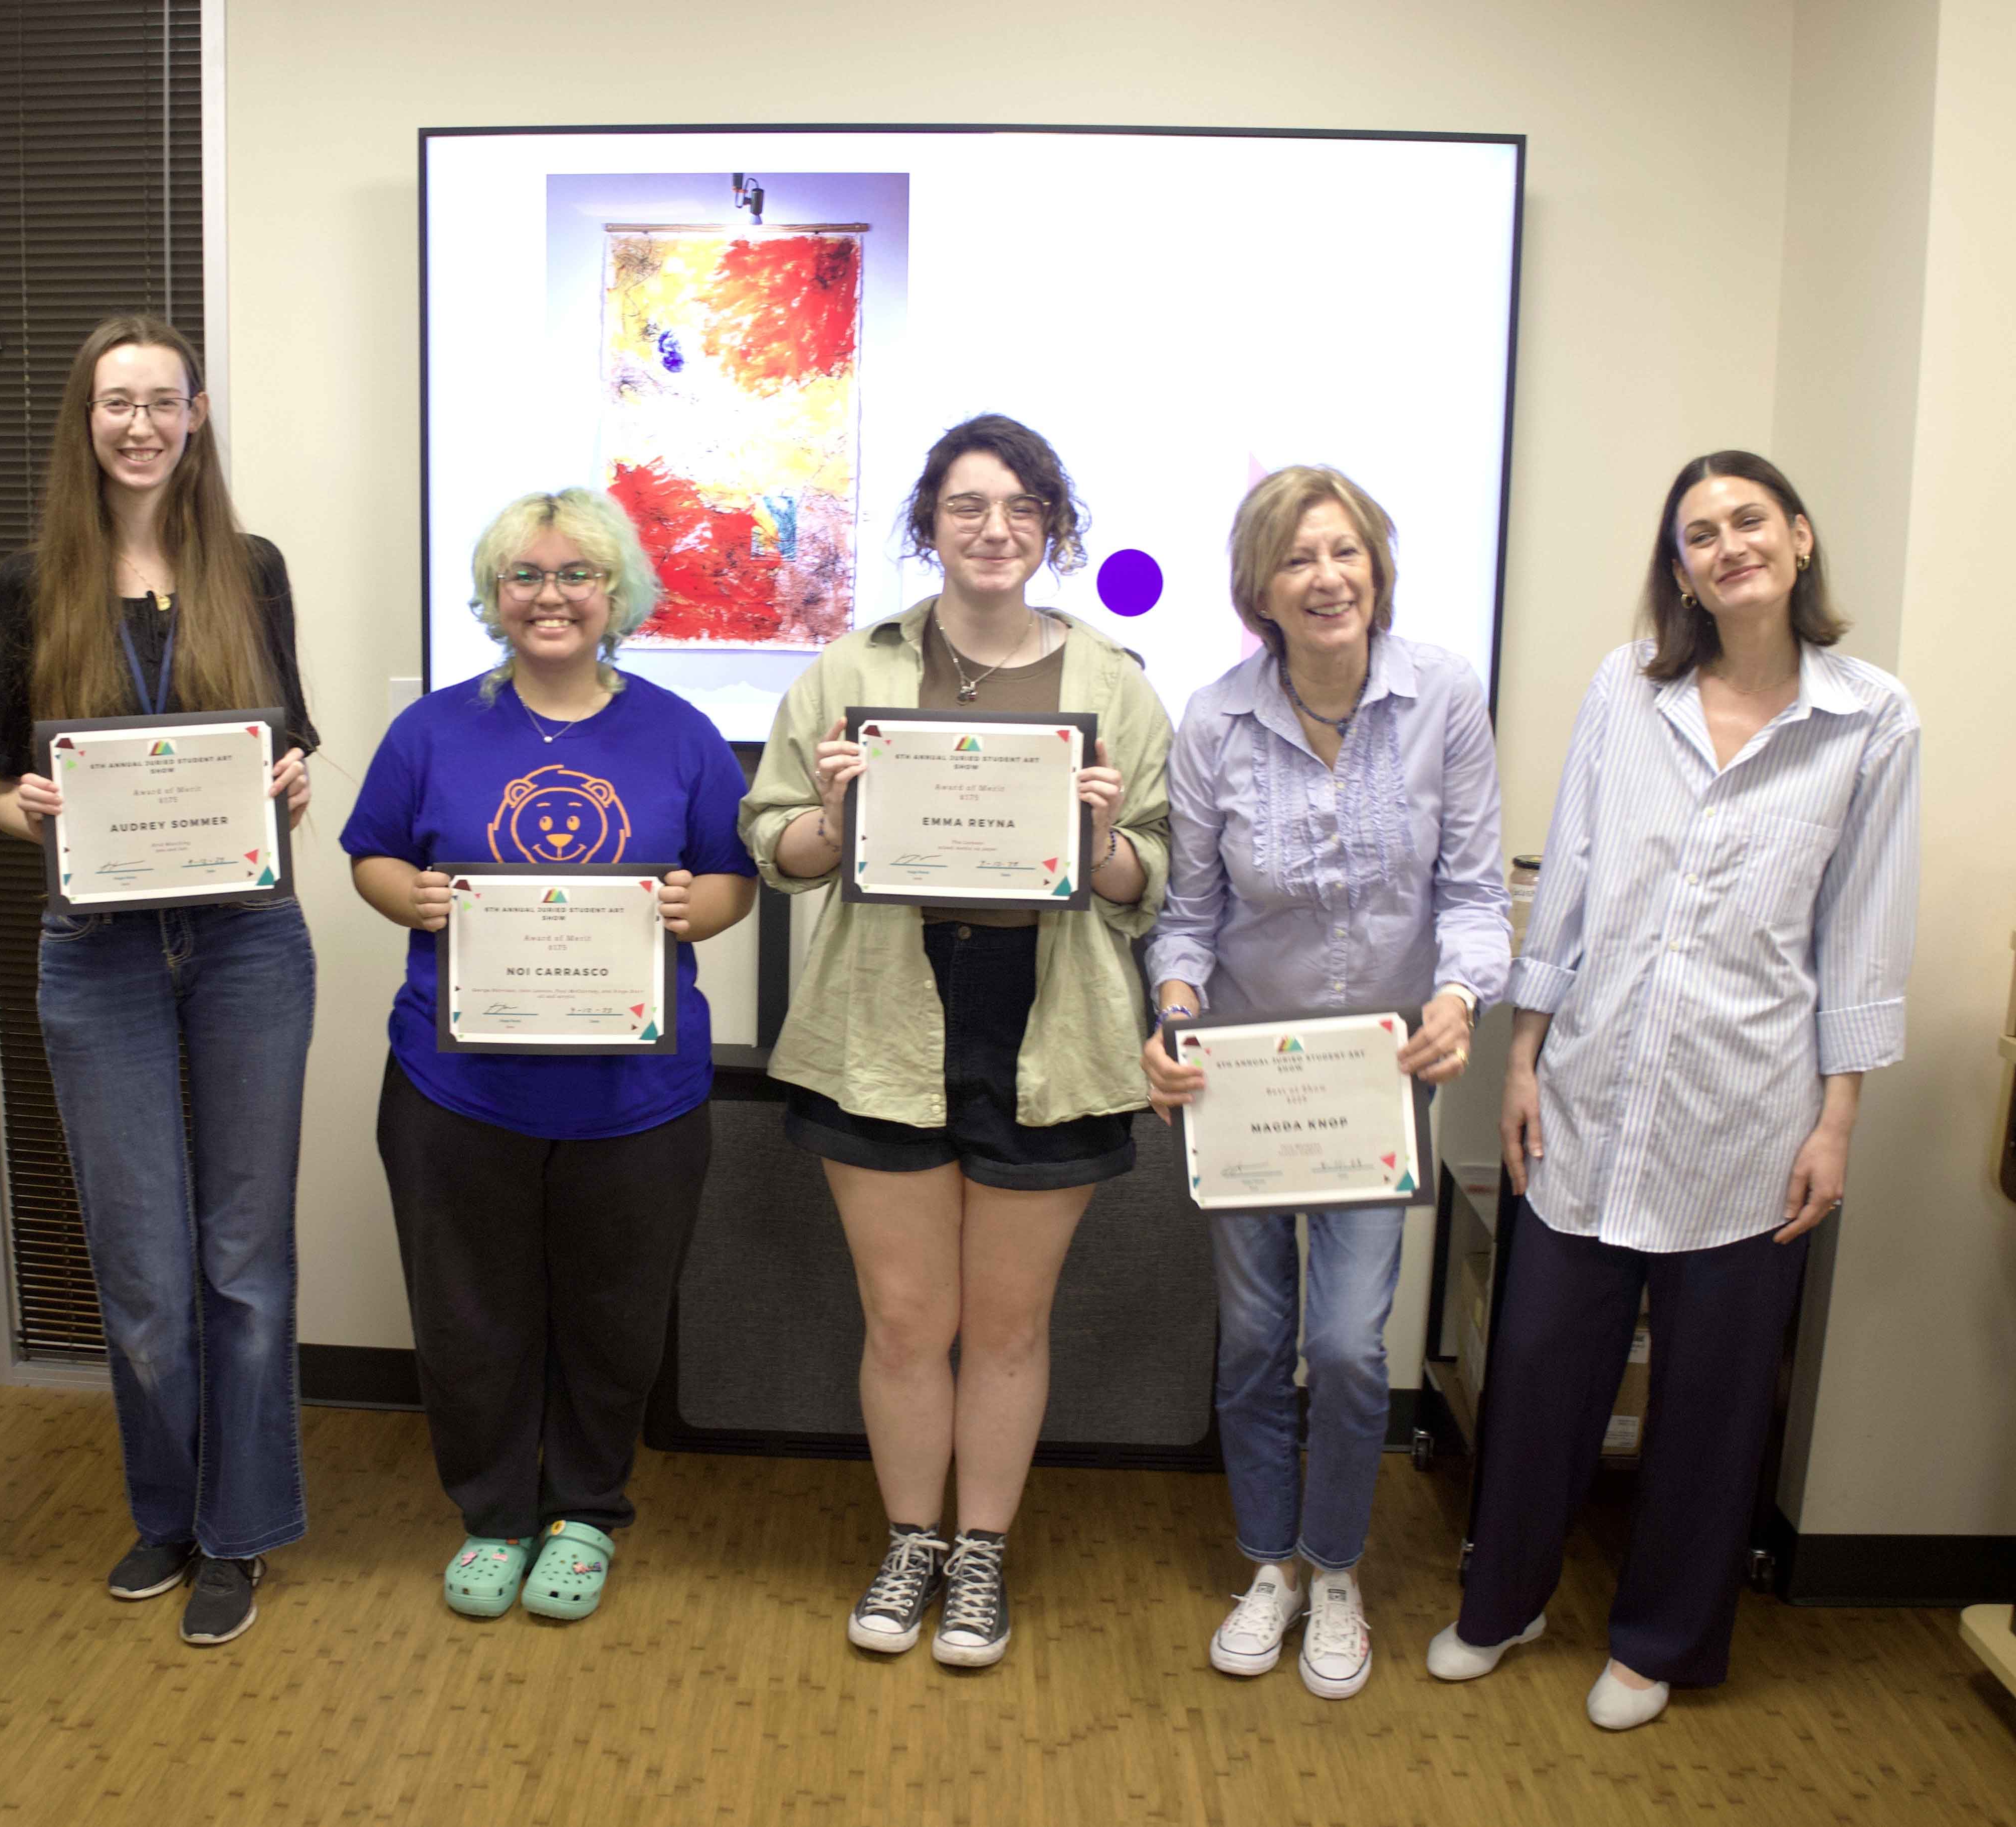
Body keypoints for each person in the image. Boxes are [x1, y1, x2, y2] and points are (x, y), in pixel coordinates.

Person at [1428, 451, 1919, 1729]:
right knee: (1539, 1369)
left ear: (1801, 540)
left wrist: (1839, 1120)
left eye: (1750, 520)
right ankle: (1506, 1599)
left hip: (1751, 1108)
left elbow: (1864, 926)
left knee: (1709, 1399)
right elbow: (1575, 866)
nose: (1727, 545)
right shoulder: (1626, 687)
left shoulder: (1872, 720)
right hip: (1594, 1085)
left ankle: (1658, 1642)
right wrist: (1524, 1054)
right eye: (1698, 532)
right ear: (1680, 566)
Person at [741, 414, 1172, 1668]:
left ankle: (981, 1554)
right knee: (904, 1318)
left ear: (1054, 528)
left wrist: (1098, 842)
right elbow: (777, 849)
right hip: (885, 1011)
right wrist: (831, 814)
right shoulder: (847, 668)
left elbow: (1155, 877)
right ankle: (911, 1538)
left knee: (1011, 1326)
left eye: (1022, 506)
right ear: (928, 524)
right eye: (969, 505)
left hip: (1047, 1019)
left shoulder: (1116, 683)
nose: (996, 528)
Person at [341, 487, 756, 1623]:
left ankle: (583, 1512)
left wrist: (690, 910)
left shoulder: (678, 730)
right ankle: (493, 1516)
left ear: (615, 591)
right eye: (524, 575)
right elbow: (370, 854)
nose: (551, 595)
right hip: (456, 1087)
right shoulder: (430, 730)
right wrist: (413, 897)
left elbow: (732, 875)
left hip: (637, 1095)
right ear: (494, 596)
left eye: (576, 573)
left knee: (614, 1312)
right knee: (469, 1311)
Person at [0, 316, 320, 1649]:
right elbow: (0, 783)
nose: (136, 425)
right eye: (114, 403)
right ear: (86, 419)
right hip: (98, 950)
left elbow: (285, 748)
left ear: (196, 415)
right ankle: (163, 1514)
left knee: (244, 1258)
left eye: (159, 402)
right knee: (142, 1268)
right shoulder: (28, 588)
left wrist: (287, 780)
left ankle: (239, 1532)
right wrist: (34, 810)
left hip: (244, 941)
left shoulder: (253, 572)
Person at [1137, 466, 1507, 1698]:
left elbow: (1472, 892)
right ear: (1261, 587)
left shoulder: (1444, 694)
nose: (1327, 576)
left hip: (1381, 1074)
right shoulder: (1215, 719)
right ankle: (1270, 1565)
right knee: (1254, 1339)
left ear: (1378, 566)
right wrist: (1175, 1015)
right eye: (1298, 558)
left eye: (1345, 551)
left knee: (1347, 1347)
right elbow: (1186, 918)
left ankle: (1336, 1564)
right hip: (1242, 1083)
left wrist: (1458, 1000)